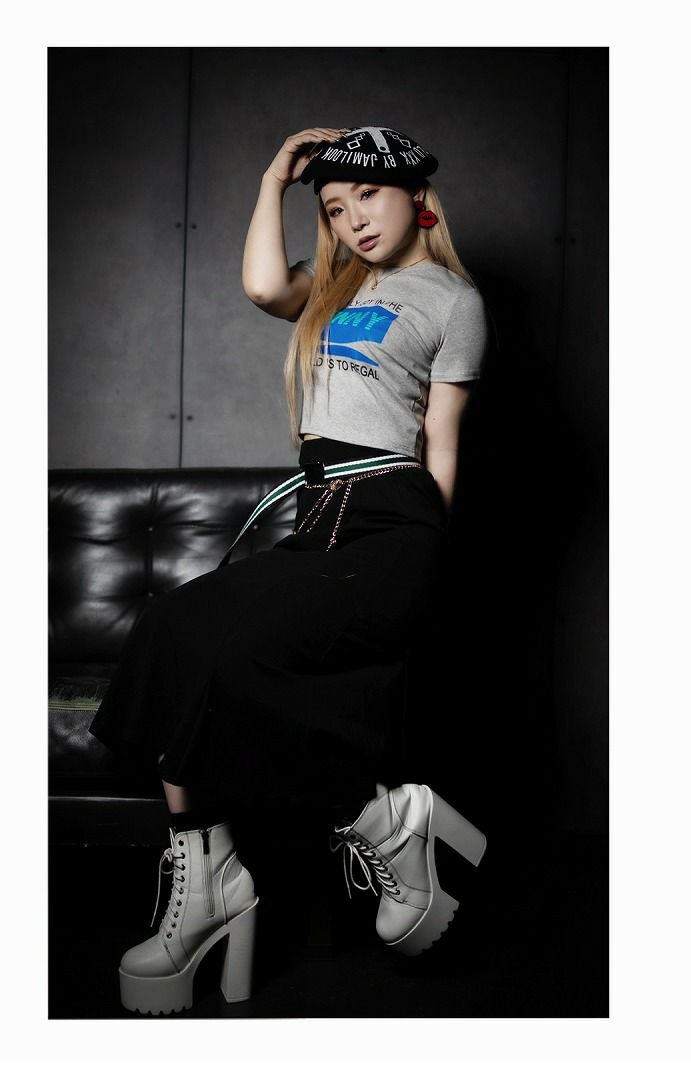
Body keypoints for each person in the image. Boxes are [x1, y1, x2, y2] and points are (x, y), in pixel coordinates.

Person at [88, 125, 490, 1016]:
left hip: (394, 522)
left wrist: (430, 564)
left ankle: (382, 821)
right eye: (336, 209)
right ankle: (215, 879)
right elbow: (264, 284)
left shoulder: (453, 300)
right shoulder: (333, 290)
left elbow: (442, 444)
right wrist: (275, 177)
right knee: (172, 629)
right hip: (318, 518)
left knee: (236, 652)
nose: (355, 221)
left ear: (415, 194)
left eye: (368, 197)